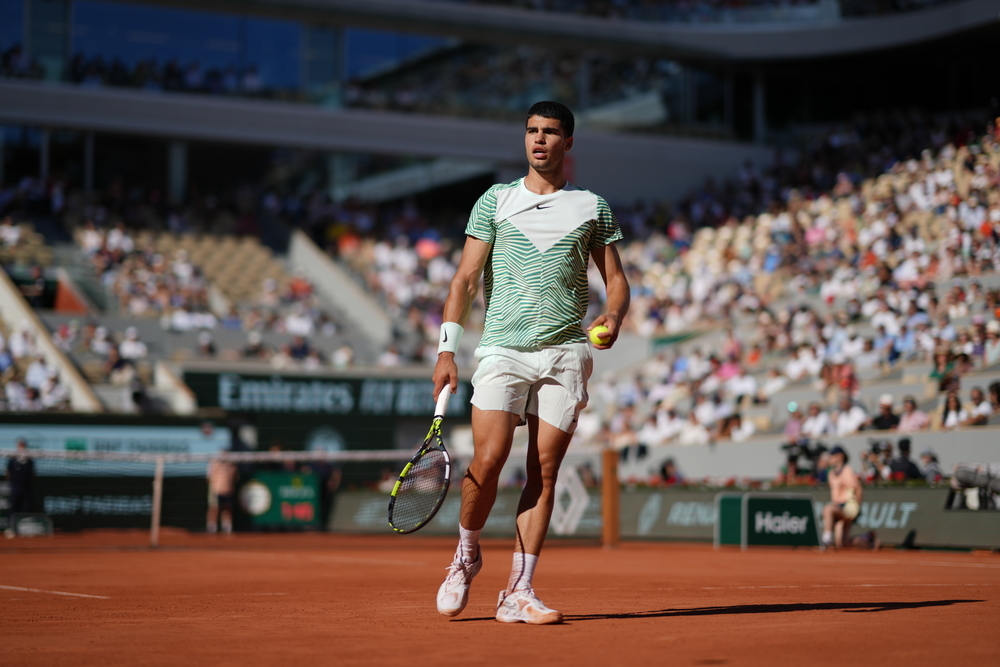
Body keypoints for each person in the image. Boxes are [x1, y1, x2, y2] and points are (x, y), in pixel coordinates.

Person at [431, 101, 629, 625]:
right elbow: (464, 281)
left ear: (568, 143)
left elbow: (617, 282)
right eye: (532, 131)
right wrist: (447, 349)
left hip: (566, 352)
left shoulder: (593, 206)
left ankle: (518, 590)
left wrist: (613, 316)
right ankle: (465, 553)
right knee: (487, 461)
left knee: (544, 470)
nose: (539, 140)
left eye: (550, 132)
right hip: (502, 349)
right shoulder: (495, 200)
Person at [821, 446, 877, 550]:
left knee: (828, 509)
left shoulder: (847, 470)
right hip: (837, 507)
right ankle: (867, 539)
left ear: (840, 456)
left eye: (832, 456)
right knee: (842, 543)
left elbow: (858, 489)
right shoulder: (831, 474)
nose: (830, 458)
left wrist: (857, 506)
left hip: (847, 506)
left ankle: (826, 539)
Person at [6, 439, 35, 525]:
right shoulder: (12, 461)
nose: (21, 448)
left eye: (23, 446)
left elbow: (33, 474)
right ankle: (10, 526)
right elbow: (8, 474)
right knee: (13, 507)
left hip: (26, 488)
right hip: (15, 488)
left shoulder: (29, 461)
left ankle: (26, 526)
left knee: (27, 508)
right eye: (20, 446)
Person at [206, 456, 237, 534]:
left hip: (228, 491)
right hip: (216, 491)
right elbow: (209, 478)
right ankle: (211, 527)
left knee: (227, 509)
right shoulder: (214, 464)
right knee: (214, 509)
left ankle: (227, 527)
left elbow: (235, 477)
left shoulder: (231, 465)